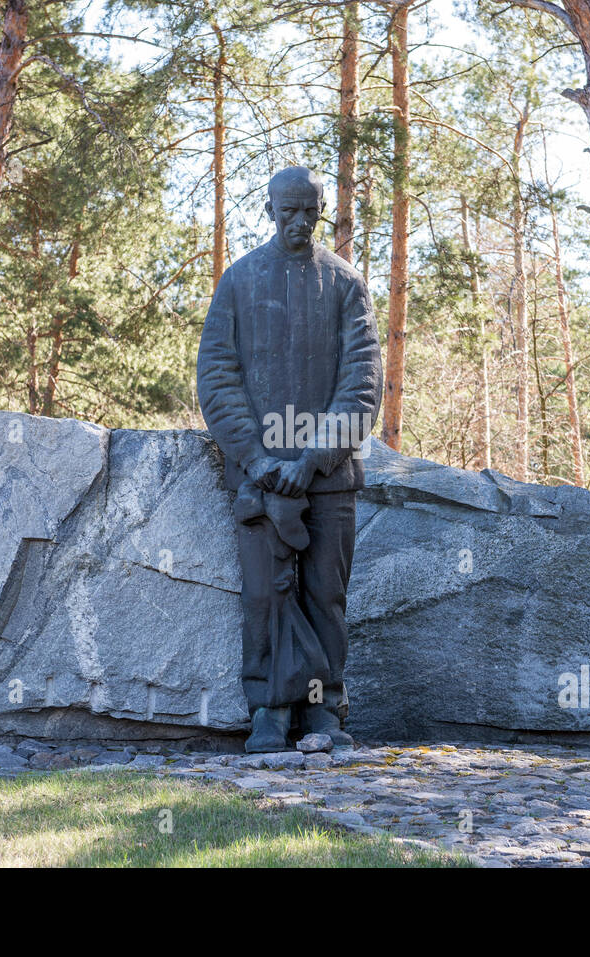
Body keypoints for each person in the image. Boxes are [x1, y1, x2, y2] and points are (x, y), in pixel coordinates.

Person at [196, 165, 383, 753]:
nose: (299, 222)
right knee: (265, 595)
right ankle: (270, 710)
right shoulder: (239, 280)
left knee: (324, 594)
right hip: (260, 480)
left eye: (310, 211)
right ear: (271, 209)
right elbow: (217, 376)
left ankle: (324, 709)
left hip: (328, 481)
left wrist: (314, 457)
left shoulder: (346, 283)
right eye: (289, 210)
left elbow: (362, 382)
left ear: (322, 211)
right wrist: (256, 458)